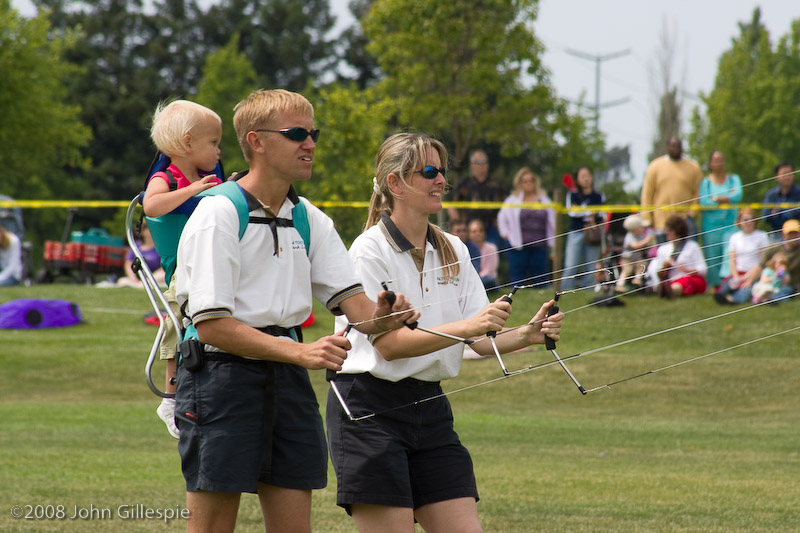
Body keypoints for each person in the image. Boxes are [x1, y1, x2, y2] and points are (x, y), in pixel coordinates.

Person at [173, 89, 417, 533]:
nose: (310, 144)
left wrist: (385, 316)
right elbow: (209, 326)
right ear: (257, 142)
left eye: (313, 133)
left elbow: (359, 312)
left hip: (286, 379)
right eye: (296, 133)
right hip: (221, 378)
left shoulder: (310, 218)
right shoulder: (219, 212)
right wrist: (300, 354)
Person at [326, 132, 563, 533]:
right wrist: (469, 326)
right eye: (429, 172)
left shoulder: (453, 247)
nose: (441, 181)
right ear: (395, 184)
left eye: (442, 172)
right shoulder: (368, 251)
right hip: (367, 408)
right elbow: (391, 347)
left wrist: (527, 334)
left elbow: (479, 340)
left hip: (429, 407)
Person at [140, 100, 225, 439]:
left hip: (206, 263)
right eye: (214, 143)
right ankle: (170, 395)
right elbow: (152, 203)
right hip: (181, 270)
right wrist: (193, 191)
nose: (219, 151)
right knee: (176, 314)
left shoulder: (207, 178)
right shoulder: (167, 177)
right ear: (188, 143)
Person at [718, 219, 800, 305]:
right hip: (768, 281)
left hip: (787, 284)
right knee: (751, 287)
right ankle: (733, 300)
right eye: (790, 234)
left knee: (786, 290)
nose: (793, 237)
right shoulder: (773, 248)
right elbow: (760, 266)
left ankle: (771, 300)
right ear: (783, 234)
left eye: (795, 234)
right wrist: (750, 281)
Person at [497, 167, 555, 286]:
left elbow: (552, 220)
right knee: (517, 278)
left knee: (541, 278)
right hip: (517, 245)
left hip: (540, 245)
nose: (528, 183)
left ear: (535, 182)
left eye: (531, 180)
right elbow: (501, 218)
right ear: (520, 183)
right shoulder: (512, 200)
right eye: (525, 181)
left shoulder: (544, 200)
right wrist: (505, 235)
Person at [640, 137, 703, 237]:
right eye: (673, 146)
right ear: (667, 147)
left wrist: (692, 214)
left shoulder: (693, 167)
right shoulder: (655, 166)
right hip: (661, 222)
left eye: (678, 146)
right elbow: (647, 193)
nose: (675, 148)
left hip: (685, 222)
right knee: (663, 252)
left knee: (688, 251)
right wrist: (647, 218)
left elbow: (699, 192)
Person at [698, 151, 742, 287]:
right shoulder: (706, 182)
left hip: (730, 225)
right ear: (710, 164)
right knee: (712, 257)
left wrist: (716, 199)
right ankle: (713, 285)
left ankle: (728, 283)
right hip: (711, 226)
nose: (719, 163)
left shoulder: (733, 179)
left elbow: (738, 195)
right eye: (716, 160)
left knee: (729, 255)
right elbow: (705, 202)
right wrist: (727, 198)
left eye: (722, 160)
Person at [448, 149, 506, 247]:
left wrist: (500, 222)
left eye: (484, 162)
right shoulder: (464, 184)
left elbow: (506, 207)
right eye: (478, 162)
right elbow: (451, 206)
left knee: (491, 255)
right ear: (472, 165)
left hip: (491, 228)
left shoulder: (496, 185)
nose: (481, 165)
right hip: (468, 229)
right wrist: (458, 224)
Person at [562, 165, 605, 289]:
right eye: (583, 176)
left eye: (588, 175)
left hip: (593, 233)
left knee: (591, 266)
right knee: (571, 265)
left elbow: (601, 213)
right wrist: (589, 212)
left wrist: (582, 210)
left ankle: (588, 290)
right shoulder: (572, 195)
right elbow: (572, 212)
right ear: (577, 179)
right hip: (576, 232)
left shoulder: (599, 195)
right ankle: (566, 291)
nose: (586, 179)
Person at [713, 208, 768, 303]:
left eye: (751, 219)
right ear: (739, 221)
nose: (749, 222)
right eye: (745, 220)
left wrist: (748, 277)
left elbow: (762, 261)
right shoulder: (735, 237)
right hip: (738, 272)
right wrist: (736, 277)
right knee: (727, 286)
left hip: (754, 273)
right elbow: (732, 260)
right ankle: (725, 294)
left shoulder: (762, 236)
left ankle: (732, 300)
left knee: (747, 288)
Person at [646, 215, 707, 298]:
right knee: (669, 283)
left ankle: (670, 291)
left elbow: (703, 269)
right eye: (666, 229)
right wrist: (664, 267)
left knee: (686, 281)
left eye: (669, 230)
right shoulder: (663, 249)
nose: (666, 232)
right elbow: (658, 272)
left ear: (678, 231)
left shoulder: (692, 246)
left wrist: (687, 270)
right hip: (672, 280)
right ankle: (667, 290)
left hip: (690, 279)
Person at [116, 221, 166, 287]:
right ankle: (141, 285)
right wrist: (133, 278)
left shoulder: (161, 247)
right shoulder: (136, 246)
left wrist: (150, 279)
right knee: (121, 281)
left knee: (161, 275)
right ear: (143, 231)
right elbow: (128, 263)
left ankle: (145, 284)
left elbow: (164, 266)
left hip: (155, 277)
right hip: (138, 278)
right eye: (147, 229)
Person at [615, 214, 655, 292]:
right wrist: (646, 240)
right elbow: (635, 246)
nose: (644, 229)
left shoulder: (640, 236)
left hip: (637, 258)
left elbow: (643, 248)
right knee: (627, 270)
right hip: (627, 259)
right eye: (642, 227)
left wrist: (648, 245)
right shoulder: (629, 236)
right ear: (635, 229)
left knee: (642, 265)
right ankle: (620, 284)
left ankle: (637, 279)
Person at [762, 161, 800, 243]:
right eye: (784, 174)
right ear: (776, 176)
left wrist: (779, 212)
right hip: (776, 234)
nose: (787, 177)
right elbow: (766, 217)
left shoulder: (799, 193)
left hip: (796, 233)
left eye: (790, 173)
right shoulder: (771, 195)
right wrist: (790, 211)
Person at [468, 218, 498, 290]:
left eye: (480, 231)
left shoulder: (491, 248)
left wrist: (475, 279)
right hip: (471, 280)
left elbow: (489, 270)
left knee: (489, 278)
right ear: (469, 234)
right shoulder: (466, 249)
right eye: (474, 231)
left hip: (486, 279)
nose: (478, 233)